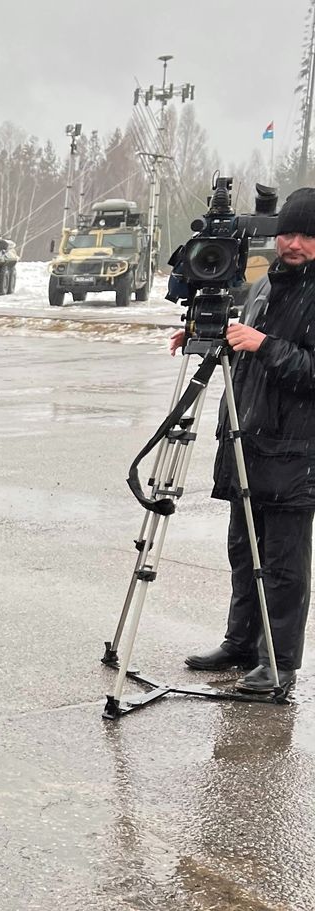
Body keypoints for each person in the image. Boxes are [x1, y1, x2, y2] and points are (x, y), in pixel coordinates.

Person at [181, 187, 315, 695]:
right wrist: (210, 338)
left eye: (306, 235)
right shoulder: (264, 285)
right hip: (247, 441)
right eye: (288, 232)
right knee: (244, 550)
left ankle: (278, 665)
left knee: (282, 564)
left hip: (297, 450)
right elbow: (246, 347)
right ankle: (240, 643)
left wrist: (265, 345)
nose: (294, 243)